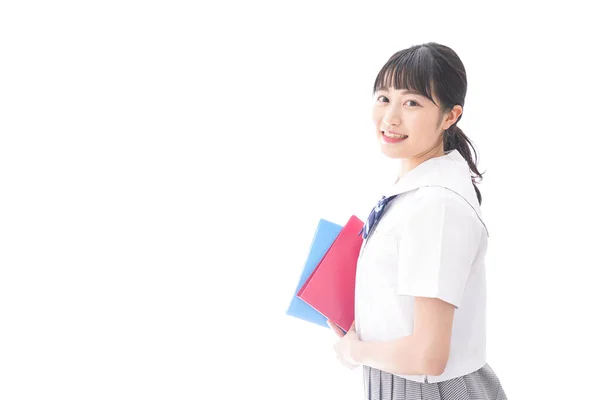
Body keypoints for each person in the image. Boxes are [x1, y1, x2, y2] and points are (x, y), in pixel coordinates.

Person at [325, 42, 508, 400]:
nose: (391, 117)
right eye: (383, 98)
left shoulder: (436, 203)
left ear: (450, 116)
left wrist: (354, 350)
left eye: (412, 103)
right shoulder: (418, 191)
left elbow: (428, 355)